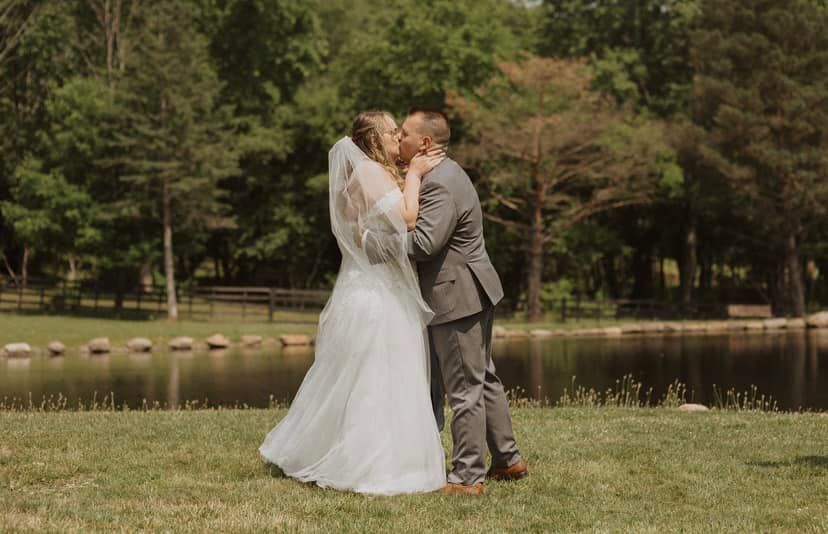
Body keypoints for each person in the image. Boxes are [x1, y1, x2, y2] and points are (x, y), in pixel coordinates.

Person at [259, 111, 446, 495]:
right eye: (392, 131)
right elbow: (408, 219)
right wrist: (414, 175)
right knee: (375, 376)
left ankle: (381, 455)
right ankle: (367, 463)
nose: (398, 137)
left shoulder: (365, 176)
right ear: (375, 138)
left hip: (375, 284)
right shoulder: (367, 174)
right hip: (375, 294)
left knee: (375, 372)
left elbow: (358, 225)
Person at [399, 107, 528, 496]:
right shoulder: (447, 174)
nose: (398, 139)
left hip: (456, 295)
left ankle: (468, 477)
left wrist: (376, 243)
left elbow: (424, 243)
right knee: (482, 377)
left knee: (464, 388)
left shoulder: (439, 182)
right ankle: (508, 459)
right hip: (471, 291)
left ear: (424, 142)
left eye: (404, 133)